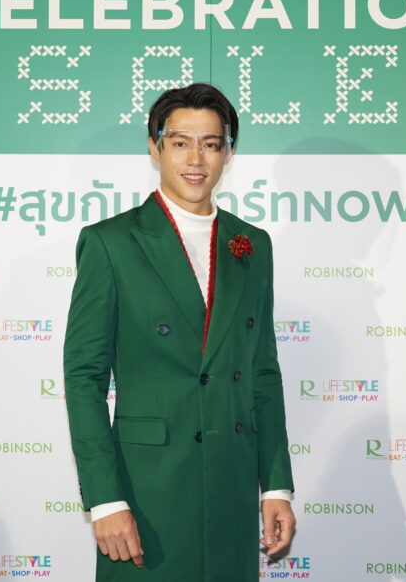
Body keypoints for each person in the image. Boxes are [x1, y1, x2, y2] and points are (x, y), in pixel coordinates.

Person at [63, 83, 296, 581]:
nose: (196, 159)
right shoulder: (111, 243)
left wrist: (276, 486)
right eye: (180, 142)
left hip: (231, 486)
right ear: (155, 147)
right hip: (146, 490)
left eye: (210, 144)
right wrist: (105, 499)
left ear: (227, 152)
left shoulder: (252, 244)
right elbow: (84, 378)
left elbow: (262, 372)